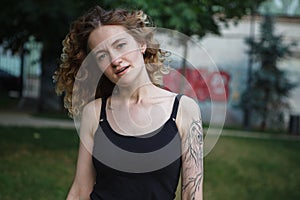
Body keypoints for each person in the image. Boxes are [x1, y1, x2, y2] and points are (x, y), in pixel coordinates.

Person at [53, 5, 203, 200]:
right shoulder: (95, 112)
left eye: (120, 45)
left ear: (141, 44)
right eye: (101, 55)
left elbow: (192, 193)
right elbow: (81, 189)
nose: (115, 59)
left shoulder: (184, 109)